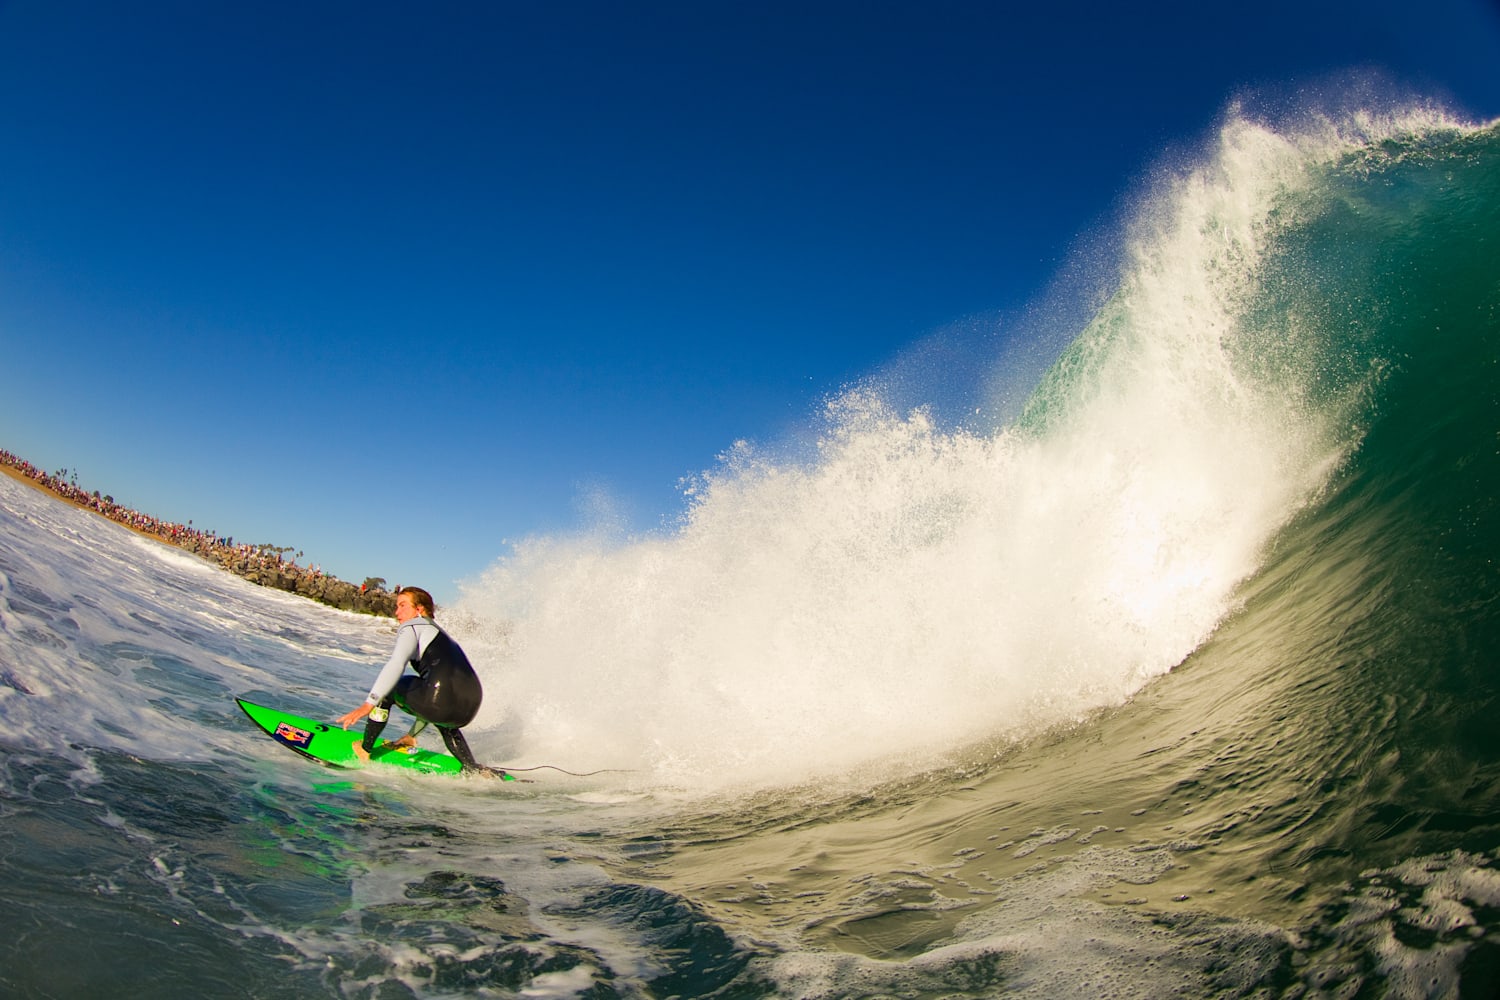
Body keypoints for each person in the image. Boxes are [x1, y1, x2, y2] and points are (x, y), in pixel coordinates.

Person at [337, 586, 498, 776]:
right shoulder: (442, 636)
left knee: (389, 691)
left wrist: (368, 705)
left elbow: (396, 663)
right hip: (468, 708)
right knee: (442, 716)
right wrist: (412, 734)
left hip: (438, 699)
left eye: (403, 605)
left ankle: (365, 748)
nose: (397, 612)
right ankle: (471, 768)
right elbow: (440, 697)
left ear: (419, 609)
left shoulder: (412, 626)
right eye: (397, 606)